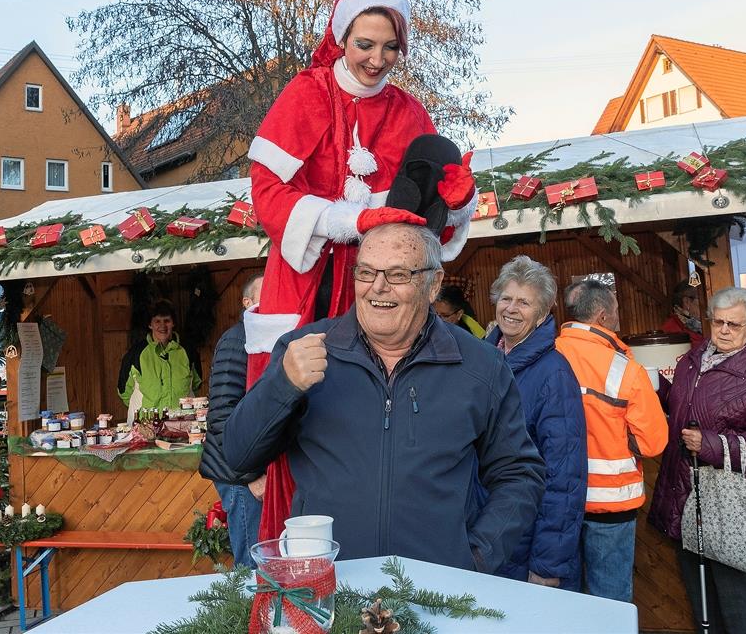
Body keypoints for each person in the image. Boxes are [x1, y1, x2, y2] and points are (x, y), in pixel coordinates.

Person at [244, 0, 474, 540]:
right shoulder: (306, 93)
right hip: (304, 287)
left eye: (389, 48)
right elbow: (267, 194)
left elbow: (425, 226)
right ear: (341, 38)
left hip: (379, 285)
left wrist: (458, 204)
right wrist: (350, 220)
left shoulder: (410, 113)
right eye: (365, 44)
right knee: (297, 421)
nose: (377, 59)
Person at [224, 223, 544, 570]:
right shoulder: (303, 350)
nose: (378, 287)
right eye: (366, 271)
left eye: (397, 274)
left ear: (433, 284)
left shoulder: (481, 366)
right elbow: (239, 457)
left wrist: (476, 558)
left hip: (437, 590)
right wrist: (283, 385)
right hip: (332, 588)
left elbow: (519, 474)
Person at [647, 287, 746, 633]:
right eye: (718, 321)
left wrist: (712, 444)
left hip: (734, 506)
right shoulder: (693, 359)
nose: (723, 330)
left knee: (740, 606)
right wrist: (653, 387)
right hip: (688, 496)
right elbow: (680, 403)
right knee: (702, 602)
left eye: (733, 325)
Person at [556, 280, 668, 602]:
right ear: (603, 316)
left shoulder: (546, 355)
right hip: (612, 502)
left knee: (564, 600)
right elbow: (653, 442)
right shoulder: (624, 368)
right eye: (617, 310)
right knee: (611, 600)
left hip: (558, 500)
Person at [483, 256, 586, 591]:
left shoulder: (554, 374)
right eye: (507, 298)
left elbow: (564, 475)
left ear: (542, 314)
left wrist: (548, 563)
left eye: (524, 302)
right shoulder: (482, 361)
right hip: (484, 535)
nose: (511, 309)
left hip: (525, 544)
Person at [199, 274, 266, 568]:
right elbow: (223, 415)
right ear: (246, 302)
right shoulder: (237, 340)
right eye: (265, 294)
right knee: (251, 561)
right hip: (239, 474)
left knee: (265, 557)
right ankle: (246, 615)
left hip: (252, 468)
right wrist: (250, 476)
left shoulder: (262, 339)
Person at [118, 300, 201, 416]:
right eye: (157, 321)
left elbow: (196, 384)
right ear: (150, 324)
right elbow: (123, 391)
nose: (162, 326)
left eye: (167, 320)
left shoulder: (188, 352)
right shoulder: (136, 354)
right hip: (145, 426)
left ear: (173, 323)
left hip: (181, 423)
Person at [661, 280, 705, 349]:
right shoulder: (671, 331)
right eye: (703, 299)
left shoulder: (701, 325)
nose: (708, 303)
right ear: (687, 302)